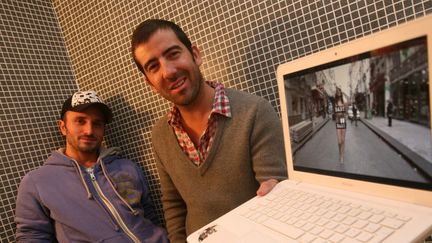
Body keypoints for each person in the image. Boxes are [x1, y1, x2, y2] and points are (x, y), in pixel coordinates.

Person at [131, 19, 287, 242]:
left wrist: (276, 190)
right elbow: (174, 206)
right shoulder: (160, 136)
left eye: (173, 54)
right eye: (153, 66)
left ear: (195, 55)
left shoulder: (254, 112)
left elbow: (275, 194)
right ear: (150, 83)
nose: (168, 71)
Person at [15, 91, 168, 243]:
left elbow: (149, 217)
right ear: (63, 127)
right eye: (80, 121)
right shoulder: (37, 183)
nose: (89, 130)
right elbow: (31, 237)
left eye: (97, 123)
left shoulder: (127, 167)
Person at [333, 87, 346, 163]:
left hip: (343, 120)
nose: (339, 92)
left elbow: (350, 100)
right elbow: (335, 113)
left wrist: (343, 92)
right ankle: (340, 152)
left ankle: (342, 156)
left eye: (340, 91)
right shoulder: (335, 102)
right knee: (339, 141)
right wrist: (337, 114)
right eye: (338, 91)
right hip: (338, 120)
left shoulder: (343, 101)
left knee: (343, 140)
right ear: (336, 93)